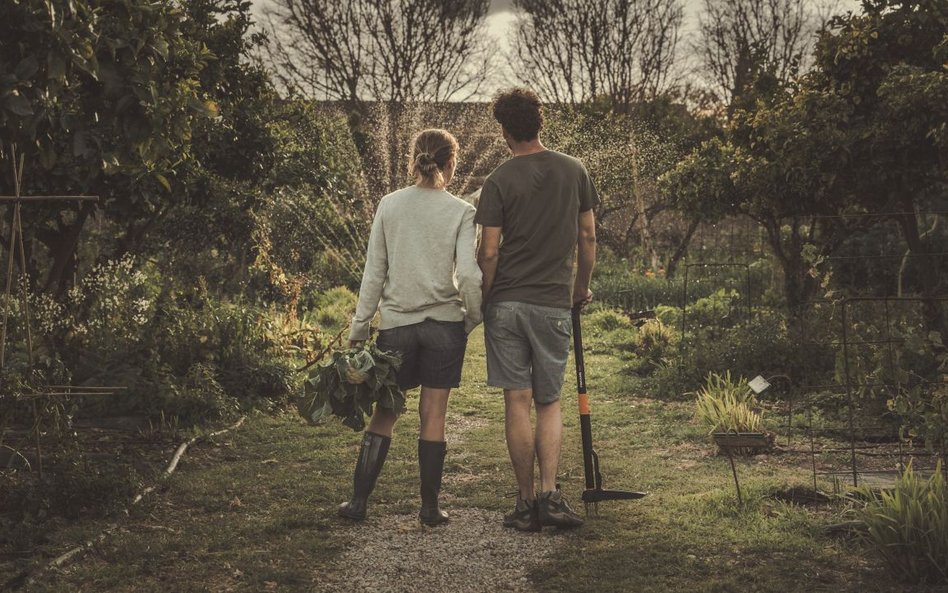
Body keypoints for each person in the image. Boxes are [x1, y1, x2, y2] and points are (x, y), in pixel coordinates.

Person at [339, 129, 482, 526]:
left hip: (397, 328)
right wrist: (470, 318)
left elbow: (374, 273)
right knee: (433, 415)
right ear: (451, 164)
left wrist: (359, 326)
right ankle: (430, 508)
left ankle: (358, 503)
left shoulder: (390, 205)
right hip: (444, 326)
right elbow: (469, 278)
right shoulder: (461, 211)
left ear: (412, 160)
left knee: (385, 412)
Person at [476, 88, 598, 531]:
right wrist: (579, 289)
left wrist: (488, 297)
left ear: (504, 130)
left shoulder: (498, 180)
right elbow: (587, 238)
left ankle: (525, 504)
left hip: (507, 303)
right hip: (552, 303)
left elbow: (488, 252)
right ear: (540, 123)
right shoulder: (575, 170)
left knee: (516, 400)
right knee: (549, 401)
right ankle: (550, 496)